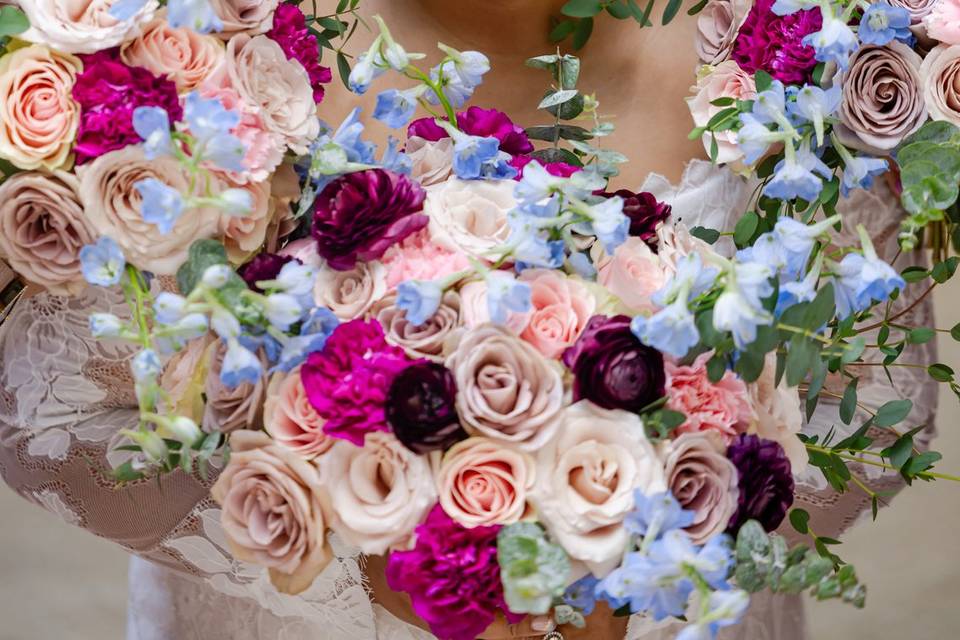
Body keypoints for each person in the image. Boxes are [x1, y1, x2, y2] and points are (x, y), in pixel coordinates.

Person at [0, 1, 939, 638]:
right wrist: (398, 556)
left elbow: (872, 403)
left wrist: (637, 552)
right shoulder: (158, 49)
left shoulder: (808, 43)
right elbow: (52, 417)